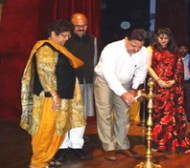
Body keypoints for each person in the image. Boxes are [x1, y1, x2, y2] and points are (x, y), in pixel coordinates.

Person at [20, 20, 85, 168]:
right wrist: (54, 95)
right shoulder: (45, 48)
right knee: (46, 131)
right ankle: (38, 163)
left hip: (63, 97)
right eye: (63, 36)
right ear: (52, 34)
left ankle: (45, 161)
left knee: (58, 130)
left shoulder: (59, 48)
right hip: (50, 98)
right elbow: (45, 73)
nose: (66, 39)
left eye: (68, 36)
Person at [94, 28, 148, 161]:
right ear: (126, 39)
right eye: (133, 46)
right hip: (104, 81)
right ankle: (109, 146)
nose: (136, 50)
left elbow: (141, 70)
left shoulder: (144, 52)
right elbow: (110, 75)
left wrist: (133, 89)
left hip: (126, 82)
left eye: (139, 47)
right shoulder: (111, 49)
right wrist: (123, 93)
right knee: (105, 113)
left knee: (123, 114)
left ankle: (122, 144)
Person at [54, 13, 97, 160]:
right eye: (78, 25)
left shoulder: (92, 39)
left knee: (81, 116)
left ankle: (77, 145)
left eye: (84, 25)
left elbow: (95, 60)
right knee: (64, 115)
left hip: (86, 83)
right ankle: (62, 146)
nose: (81, 28)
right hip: (66, 83)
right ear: (71, 25)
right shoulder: (64, 39)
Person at [147, 27, 190, 154]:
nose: (163, 41)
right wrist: (158, 80)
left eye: (166, 38)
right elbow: (148, 67)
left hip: (173, 86)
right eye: (161, 38)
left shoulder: (174, 50)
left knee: (173, 114)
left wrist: (174, 81)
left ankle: (172, 142)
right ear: (157, 37)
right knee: (160, 114)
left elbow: (179, 67)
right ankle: (158, 142)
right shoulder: (151, 49)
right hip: (159, 85)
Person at [178, 43, 190, 122]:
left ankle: (188, 117)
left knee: (188, 100)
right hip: (179, 82)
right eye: (181, 48)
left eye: (184, 48)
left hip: (189, 82)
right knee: (179, 99)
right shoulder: (176, 58)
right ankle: (179, 116)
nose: (183, 50)